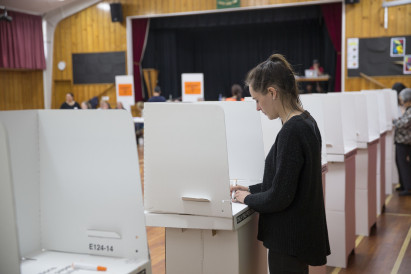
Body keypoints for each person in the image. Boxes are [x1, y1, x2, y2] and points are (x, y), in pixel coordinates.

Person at [230, 54, 330, 273]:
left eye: (257, 99)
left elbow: (281, 196)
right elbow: (286, 181)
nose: (257, 107)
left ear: (272, 92)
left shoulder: (292, 130)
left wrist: (248, 198)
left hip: (288, 241)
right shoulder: (306, 120)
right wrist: (250, 189)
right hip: (297, 237)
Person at [393, 88, 411, 196]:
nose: (401, 102)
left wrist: (395, 122)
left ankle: (408, 188)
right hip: (401, 142)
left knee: (404, 165)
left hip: (405, 142)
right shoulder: (407, 110)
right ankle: (403, 185)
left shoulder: (409, 111)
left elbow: (402, 124)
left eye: (402, 99)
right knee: (400, 164)